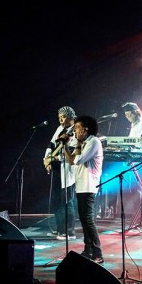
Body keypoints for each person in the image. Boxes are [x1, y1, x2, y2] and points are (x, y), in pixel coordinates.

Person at [64, 115, 104, 263]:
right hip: (81, 186)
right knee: (83, 219)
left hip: (89, 185)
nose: (75, 131)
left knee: (88, 219)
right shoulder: (84, 142)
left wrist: (78, 145)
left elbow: (78, 159)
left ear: (85, 129)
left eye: (77, 128)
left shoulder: (93, 142)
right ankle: (88, 250)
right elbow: (71, 161)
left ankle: (98, 253)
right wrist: (65, 146)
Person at [43, 106, 77, 240]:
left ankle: (69, 232)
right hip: (57, 169)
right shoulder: (59, 129)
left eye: (63, 117)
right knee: (57, 201)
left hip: (68, 171)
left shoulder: (75, 131)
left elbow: (71, 152)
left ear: (71, 117)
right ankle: (60, 230)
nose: (61, 120)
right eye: (59, 117)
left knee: (67, 201)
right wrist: (47, 160)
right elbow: (50, 145)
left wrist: (53, 158)